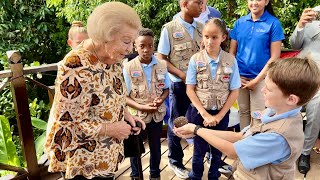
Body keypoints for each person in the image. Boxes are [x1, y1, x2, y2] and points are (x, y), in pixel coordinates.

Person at [45, 2, 146, 179]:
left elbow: (114, 95)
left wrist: (125, 115)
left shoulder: (112, 57)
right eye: (126, 41)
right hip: (83, 162)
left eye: (132, 42)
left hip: (105, 155)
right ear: (104, 37)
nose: (131, 49)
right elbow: (68, 124)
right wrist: (112, 128)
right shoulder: (75, 66)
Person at [174, 57, 320, 180]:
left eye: (268, 89)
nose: (262, 90)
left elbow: (232, 151)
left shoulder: (278, 136)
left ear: (291, 99)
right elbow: (240, 136)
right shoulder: (274, 112)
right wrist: (197, 130)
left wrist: (197, 129)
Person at [185, 18, 240, 179]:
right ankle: (196, 175)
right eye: (206, 36)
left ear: (223, 37)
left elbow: (234, 91)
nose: (209, 41)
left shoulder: (231, 60)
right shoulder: (195, 60)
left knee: (217, 150)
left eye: (214, 37)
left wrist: (219, 116)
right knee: (199, 150)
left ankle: (213, 175)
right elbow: (190, 90)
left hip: (221, 114)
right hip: (199, 114)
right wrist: (205, 114)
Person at [157, 0, 203, 178]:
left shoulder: (202, 27)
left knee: (201, 120)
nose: (201, 6)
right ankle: (175, 160)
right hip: (179, 85)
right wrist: (182, 76)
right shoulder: (169, 28)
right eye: (198, 3)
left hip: (201, 85)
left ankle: (204, 156)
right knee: (177, 122)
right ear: (184, 4)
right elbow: (162, 58)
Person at [229, 0, 285, 130]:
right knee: (242, 112)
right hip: (240, 77)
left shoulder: (273, 23)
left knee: (258, 115)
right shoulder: (239, 23)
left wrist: (257, 80)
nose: (254, 3)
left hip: (262, 79)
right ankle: (244, 144)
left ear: (266, 2)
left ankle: (256, 145)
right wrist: (236, 74)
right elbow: (231, 52)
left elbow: (275, 57)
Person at [123, 28, 170, 180]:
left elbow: (166, 89)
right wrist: (141, 107)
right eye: (142, 46)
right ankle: (136, 175)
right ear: (135, 46)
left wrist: (161, 99)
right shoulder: (129, 68)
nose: (146, 50)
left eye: (150, 46)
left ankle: (155, 175)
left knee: (156, 147)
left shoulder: (162, 65)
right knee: (135, 147)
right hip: (137, 116)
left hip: (157, 115)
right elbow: (124, 97)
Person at [289, 6, 320, 174]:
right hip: (300, 77)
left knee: (316, 109)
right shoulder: (312, 19)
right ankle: (283, 146)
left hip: (319, 85)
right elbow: (294, 44)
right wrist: (301, 24)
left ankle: (305, 152)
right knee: (285, 106)